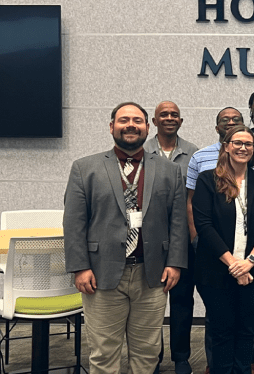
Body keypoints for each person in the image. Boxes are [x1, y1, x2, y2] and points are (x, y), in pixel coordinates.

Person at [63, 102, 188, 374]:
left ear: (147, 127)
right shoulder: (85, 168)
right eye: (123, 120)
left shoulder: (169, 170)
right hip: (101, 274)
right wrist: (80, 267)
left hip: (152, 275)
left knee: (147, 355)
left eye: (137, 120)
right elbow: (74, 223)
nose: (131, 125)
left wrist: (175, 263)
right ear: (112, 127)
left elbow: (178, 222)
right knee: (104, 356)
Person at [187, 107, 254, 374]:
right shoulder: (208, 180)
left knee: (247, 328)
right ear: (226, 146)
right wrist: (233, 265)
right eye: (237, 143)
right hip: (215, 269)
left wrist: (249, 262)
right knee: (221, 329)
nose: (243, 148)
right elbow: (204, 226)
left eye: (248, 144)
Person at [144, 101, 199, 374]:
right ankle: (151, 357)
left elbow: (196, 198)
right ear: (154, 122)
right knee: (149, 304)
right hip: (148, 240)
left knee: (182, 301)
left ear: (181, 120)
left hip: (182, 240)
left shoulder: (193, 153)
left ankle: (181, 357)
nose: (169, 118)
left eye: (174, 115)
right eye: (163, 115)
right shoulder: (141, 151)